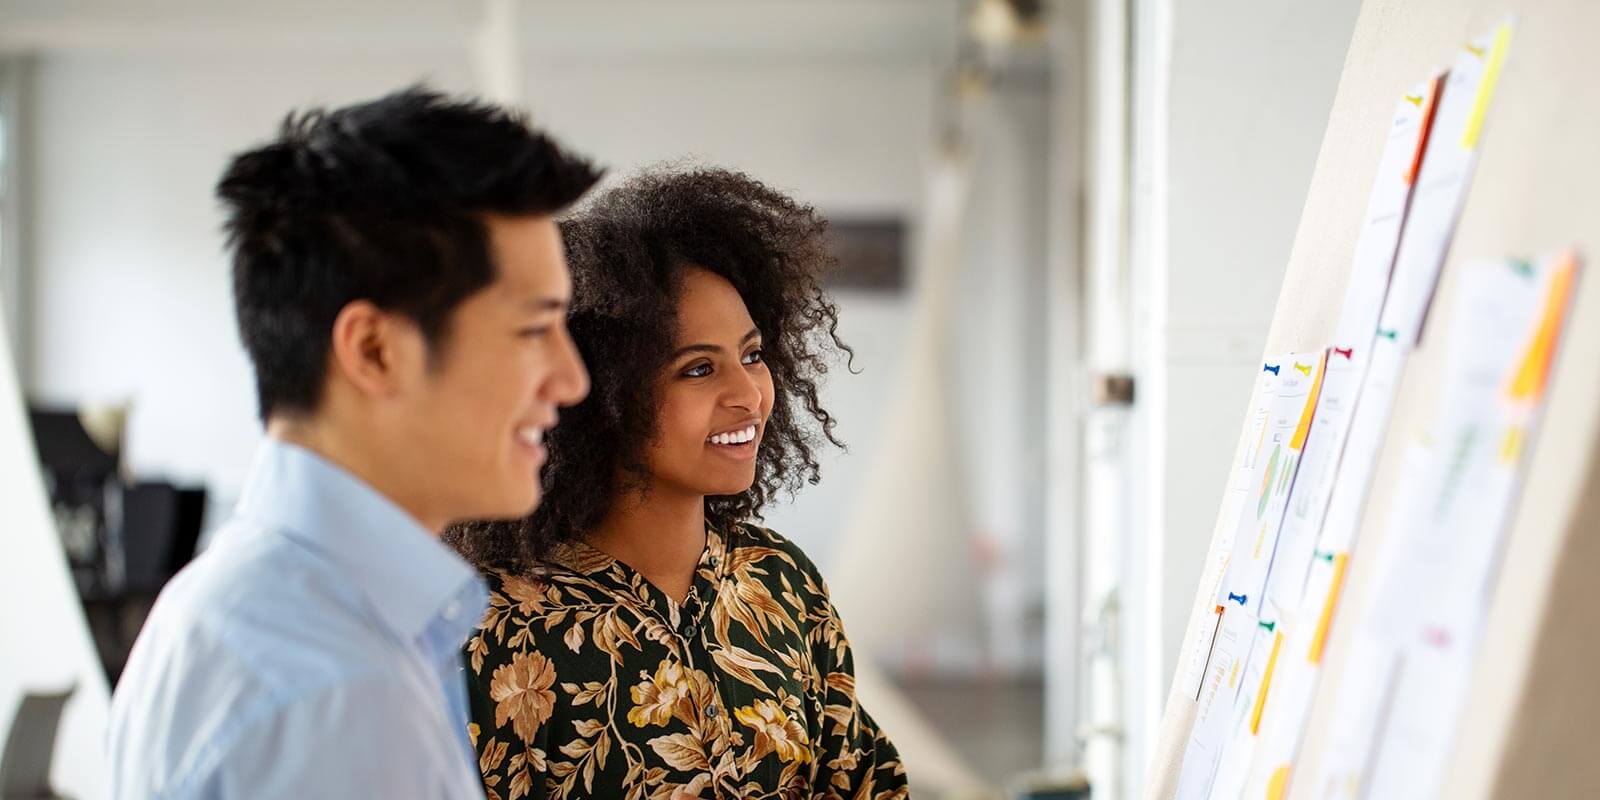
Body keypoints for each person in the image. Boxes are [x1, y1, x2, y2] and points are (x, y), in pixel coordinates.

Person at [106, 87, 599, 798]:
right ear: (373, 350)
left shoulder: (225, 608)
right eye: (532, 330)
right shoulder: (341, 694)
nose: (571, 379)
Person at [444, 167, 910, 799]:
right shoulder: (491, 627)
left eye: (751, 355)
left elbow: (861, 782)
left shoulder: (779, 579)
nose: (748, 395)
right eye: (697, 369)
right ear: (596, 398)